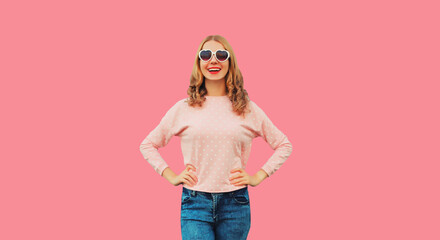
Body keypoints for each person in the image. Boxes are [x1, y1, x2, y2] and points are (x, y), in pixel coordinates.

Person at [139, 35, 293, 240]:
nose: (213, 60)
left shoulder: (246, 108)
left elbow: (283, 144)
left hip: (235, 204)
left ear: (230, 63)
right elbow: (148, 144)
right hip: (195, 203)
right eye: (206, 55)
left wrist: (258, 176)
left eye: (221, 55)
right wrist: (171, 176)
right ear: (199, 63)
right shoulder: (184, 108)